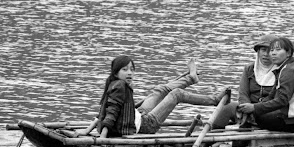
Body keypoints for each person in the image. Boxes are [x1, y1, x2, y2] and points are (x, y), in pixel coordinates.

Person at [78, 56, 229, 137]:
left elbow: (102, 112)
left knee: (160, 90)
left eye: (132, 69)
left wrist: (87, 130)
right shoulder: (120, 86)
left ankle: (192, 78)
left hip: (138, 116)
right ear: (116, 72)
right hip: (145, 125)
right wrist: (102, 139)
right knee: (176, 94)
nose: (130, 73)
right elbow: (109, 115)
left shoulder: (113, 83)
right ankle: (215, 100)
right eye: (125, 70)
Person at [237, 37, 294, 132]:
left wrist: (254, 108)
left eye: (278, 50)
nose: (272, 53)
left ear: (288, 53)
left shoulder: (289, 71)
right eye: (272, 50)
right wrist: (253, 108)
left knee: (260, 118)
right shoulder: (282, 69)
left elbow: (282, 100)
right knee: (255, 114)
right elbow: (272, 95)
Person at [235, 34, 277, 127]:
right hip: (247, 108)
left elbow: (278, 100)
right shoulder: (249, 69)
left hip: (268, 110)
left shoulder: (281, 71)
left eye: (269, 51)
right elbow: (243, 94)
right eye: (263, 50)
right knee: (226, 108)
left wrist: (255, 109)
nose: (266, 54)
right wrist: (246, 109)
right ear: (258, 52)